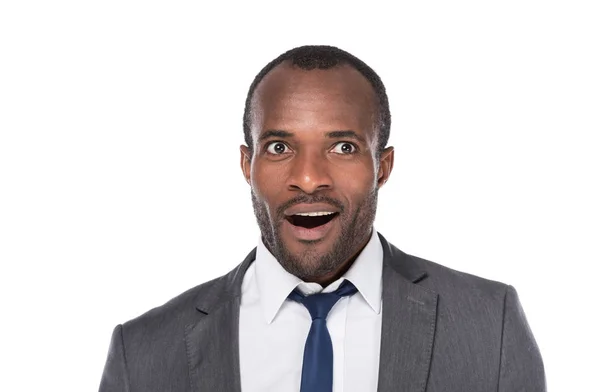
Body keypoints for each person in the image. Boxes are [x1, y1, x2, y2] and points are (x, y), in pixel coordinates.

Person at [99, 45, 545, 392]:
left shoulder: (490, 325)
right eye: (279, 148)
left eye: (343, 147)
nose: (309, 178)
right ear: (245, 165)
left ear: (383, 167)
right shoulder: (142, 354)